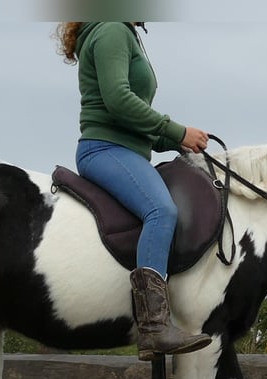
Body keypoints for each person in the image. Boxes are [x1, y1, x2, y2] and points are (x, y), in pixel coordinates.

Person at [55, 21, 212, 361]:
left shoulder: (123, 32)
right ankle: (154, 327)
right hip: (106, 149)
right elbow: (118, 101)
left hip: (125, 148)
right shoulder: (113, 29)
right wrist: (178, 130)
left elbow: (134, 120)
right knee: (161, 211)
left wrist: (178, 140)